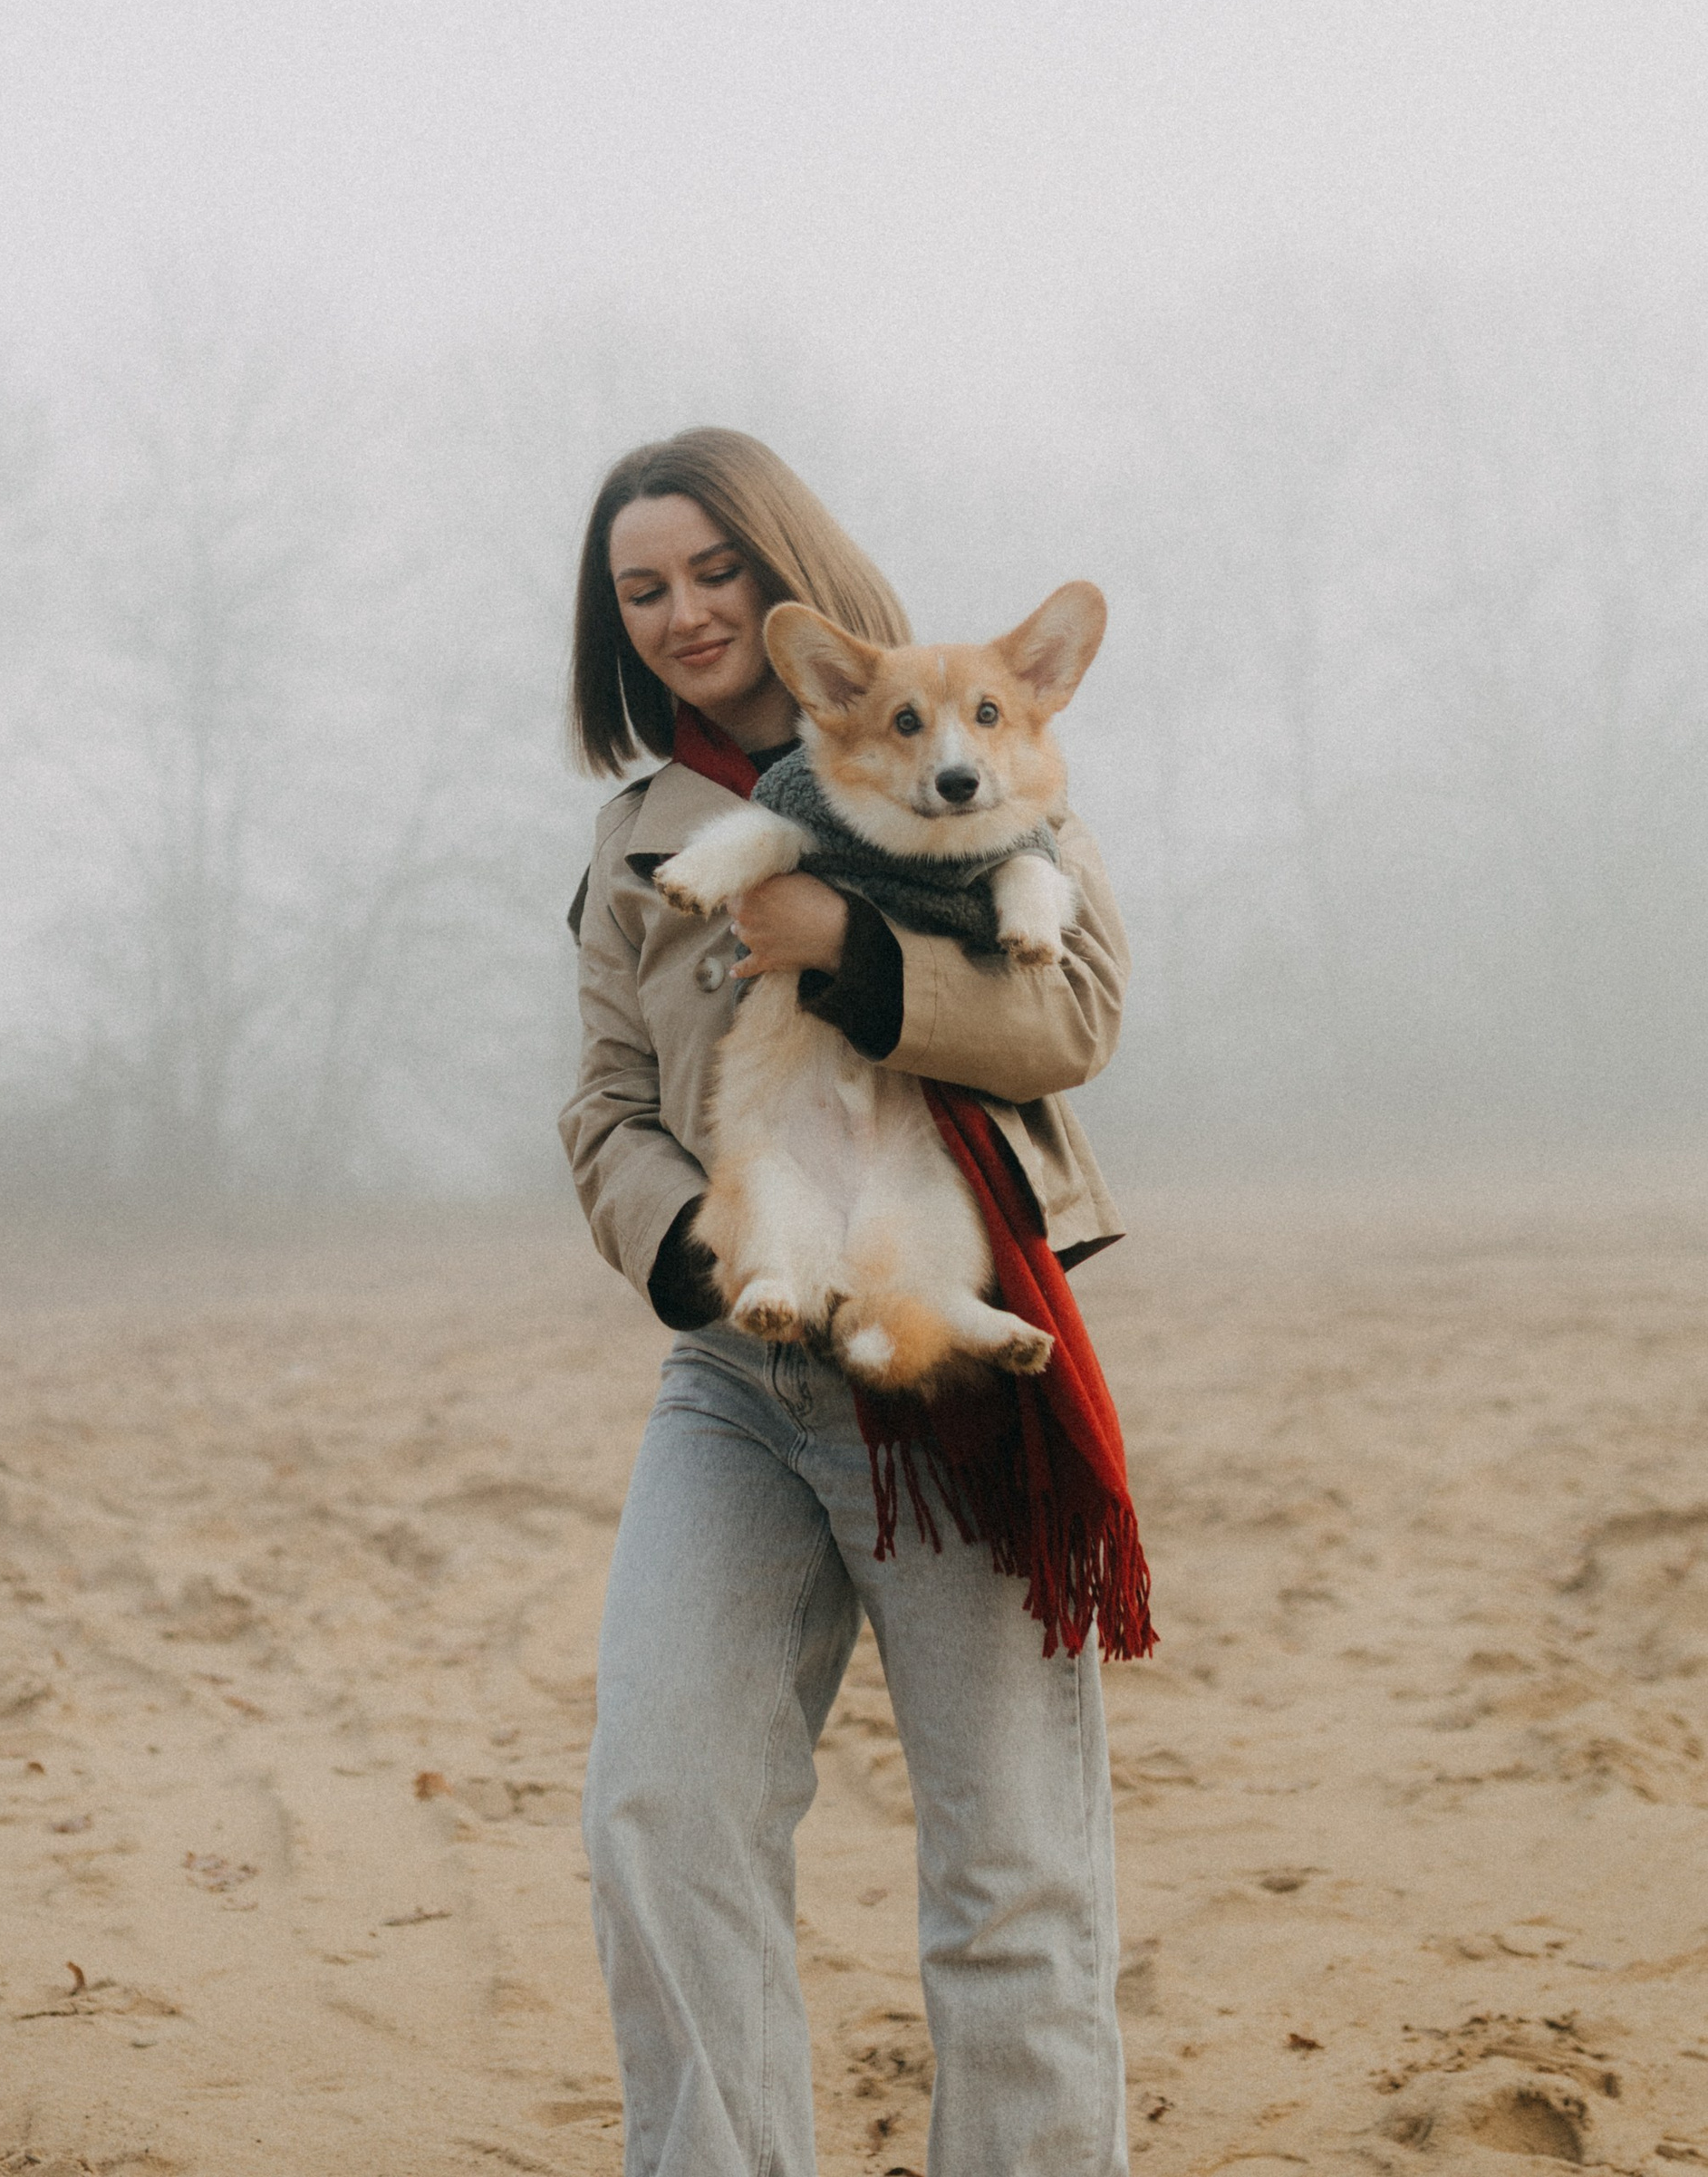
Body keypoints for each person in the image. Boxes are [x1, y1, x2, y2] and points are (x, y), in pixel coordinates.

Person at [561, 427, 1132, 2177]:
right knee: (663, 1808)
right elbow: (601, 1103)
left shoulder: (981, 767)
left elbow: (1076, 1017)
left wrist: (849, 942)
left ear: (780, 569)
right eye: (641, 589)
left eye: (713, 570)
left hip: (955, 1372)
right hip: (743, 1367)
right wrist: (696, 1252)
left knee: (1010, 1865)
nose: (681, 613)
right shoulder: (640, 835)